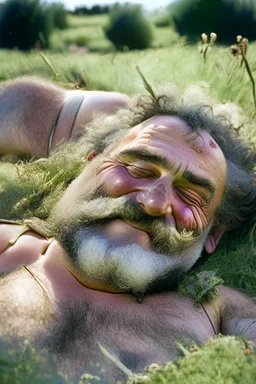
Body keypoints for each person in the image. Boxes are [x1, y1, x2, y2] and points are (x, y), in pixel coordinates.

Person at [0, 78, 256, 382]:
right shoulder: (9, 244)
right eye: (137, 169)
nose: (153, 202)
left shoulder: (215, 306)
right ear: (88, 167)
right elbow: (15, 107)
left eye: (190, 196)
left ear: (213, 235)